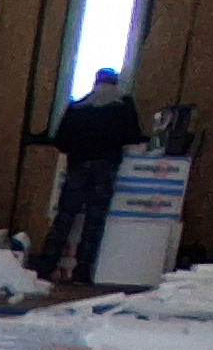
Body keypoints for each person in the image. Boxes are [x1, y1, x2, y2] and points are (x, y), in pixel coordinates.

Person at [34, 69, 148, 282]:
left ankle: (46, 266)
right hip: (105, 169)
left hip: (77, 167)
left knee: (65, 217)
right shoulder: (123, 107)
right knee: (94, 221)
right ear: (116, 84)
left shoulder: (77, 107)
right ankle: (82, 271)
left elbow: (60, 142)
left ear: (95, 83)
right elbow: (133, 136)